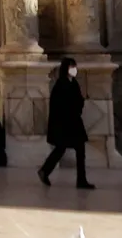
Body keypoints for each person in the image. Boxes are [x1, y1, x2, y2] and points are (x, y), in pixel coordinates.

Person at [37, 56, 93, 189]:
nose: (74, 70)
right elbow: (60, 106)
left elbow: (77, 100)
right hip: (65, 124)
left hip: (73, 122)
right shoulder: (60, 85)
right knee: (62, 149)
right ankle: (45, 171)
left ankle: (80, 179)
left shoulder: (73, 83)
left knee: (76, 149)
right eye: (71, 67)